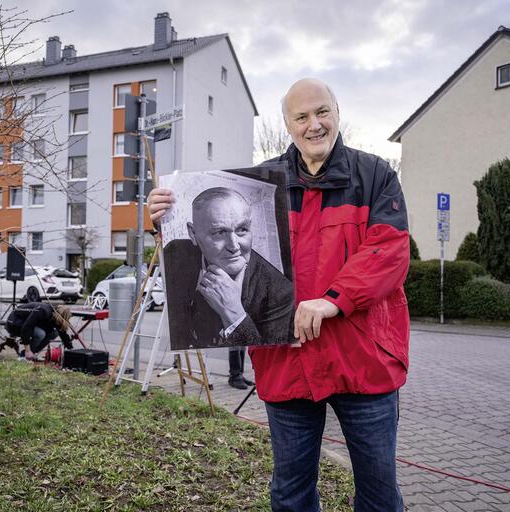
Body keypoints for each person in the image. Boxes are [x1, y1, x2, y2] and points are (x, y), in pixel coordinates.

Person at [149, 77, 410, 511]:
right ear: (288, 125)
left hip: (363, 360)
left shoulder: (375, 175)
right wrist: (161, 217)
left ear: (338, 113)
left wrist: (333, 299)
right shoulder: (259, 184)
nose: (314, 125)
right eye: (301, 116)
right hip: (288, 363)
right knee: (290, 494)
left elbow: (389, 250)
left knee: (380, 496)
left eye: (322, 112)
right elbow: (194, 242)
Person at [163, 187, 294, 351]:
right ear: (193, 234)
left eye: (242, 230)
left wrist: (234, 313)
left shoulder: (279, 293)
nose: (234, 246)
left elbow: (271, 353)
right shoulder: (175, 254)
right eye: (219, 232)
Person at [5, 302, 74, 358]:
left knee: (54, 333)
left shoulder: (55, 314)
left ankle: (33, 352)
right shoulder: (43, 311)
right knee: (40, 334)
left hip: (26, 323)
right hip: (14, 323)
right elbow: (26, 328)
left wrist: (71, 349)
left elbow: (62, 332)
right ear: (60, 315)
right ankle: (26, 354)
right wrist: (27, 350)